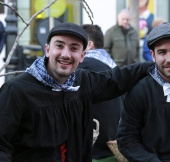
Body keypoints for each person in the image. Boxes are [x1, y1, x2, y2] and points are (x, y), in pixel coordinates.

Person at [0, 22, 152, 162]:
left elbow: (116, 79)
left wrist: (155, 65)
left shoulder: (82, 82)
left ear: (82, 56)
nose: (66, 54)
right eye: (59, 46)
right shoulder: (16, 91)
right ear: (47, 50)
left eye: (74, 48)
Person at [117, 22, 170, 162]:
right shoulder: (140, 91)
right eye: (162, 52)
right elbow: (127, 139)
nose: (169, 59)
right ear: (153, 55)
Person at [78, 24, 124, 162]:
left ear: (89, 45)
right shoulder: (114, 67)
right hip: (115, 148)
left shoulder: (83, 67)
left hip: (93, 151)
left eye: (76, 45)